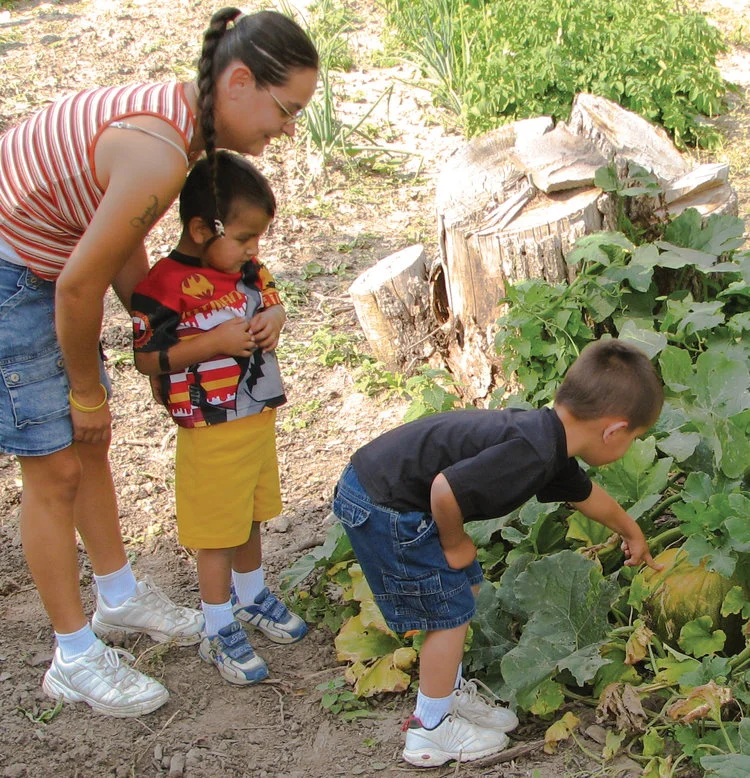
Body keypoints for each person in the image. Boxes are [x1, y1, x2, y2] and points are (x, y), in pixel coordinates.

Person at [0, 8, 318, 716]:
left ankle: (116, 596)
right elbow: (80, 285)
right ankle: (73, 656)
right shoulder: (161, 154)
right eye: (286, 109)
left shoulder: (181, 130)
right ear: (239, 82)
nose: (288, 129)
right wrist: (87, 389)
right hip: (14, 268)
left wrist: (155, 330)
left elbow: (121, 260)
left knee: (90, 444)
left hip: (45, 264)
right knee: (52, 463)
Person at [331, 339, 664, 767]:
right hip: (383, 503)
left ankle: (446, 699)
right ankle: (429, 732)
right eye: (634, 438)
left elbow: (584, 495)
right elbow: (444, 490)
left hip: (389, 490)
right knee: (447, 613)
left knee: (463, 595)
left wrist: (630, 530)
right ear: (614, 430)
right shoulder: (531, 452)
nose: (630, 445)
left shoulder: (549, 440)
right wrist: (454, 541)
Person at [131, 151, 306, 686]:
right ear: (203, 228)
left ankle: (251, 595)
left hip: (255, 418)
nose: (255, 251)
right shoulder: (164, 285)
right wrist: (214, 342)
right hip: (208, 428)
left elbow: (271, 298)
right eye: (247, 237)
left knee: (249, 515)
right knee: (215, 532)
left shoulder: (245, 267)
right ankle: (217, 625)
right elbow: (145, 358)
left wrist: (274, 316)